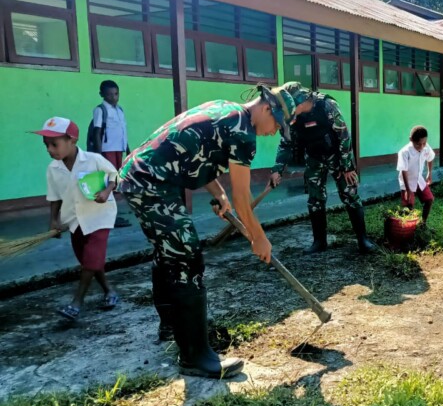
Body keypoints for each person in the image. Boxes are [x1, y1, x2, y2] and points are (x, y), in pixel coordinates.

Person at [118, 84, 294, 379]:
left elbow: (197, 155)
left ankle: (173, 326)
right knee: (186, 257)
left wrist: (218, 194)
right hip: (152, 184)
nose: (273, 132)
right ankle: (195, 357)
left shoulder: (224, 109)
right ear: (266, 109)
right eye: (277, 125)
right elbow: (243, 199)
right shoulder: (243, 133)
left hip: (140, 175)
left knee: (170, 251)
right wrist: (259, 237)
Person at [269, 82, 376, 255]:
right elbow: (285, 143)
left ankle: (363, 240)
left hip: (337, 156)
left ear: (302, 101)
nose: (289, 111)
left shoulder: (327, 105)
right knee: (315, 200)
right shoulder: (291, 118)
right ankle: (319, 242)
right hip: (313, 158)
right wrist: (277, 169)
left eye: (292, 106)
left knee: (349, 194)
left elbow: (343, 135)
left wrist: (348, 167)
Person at [32, 117, 120, 321]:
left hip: (100, 216)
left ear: (72, 140)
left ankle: (76, 303)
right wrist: (54, 220)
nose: (50, 150)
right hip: (74, 219)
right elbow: (54, 197)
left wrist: (107, 191)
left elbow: (116, 175)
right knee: (89, 261)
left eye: (54, 144)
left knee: (91, 258)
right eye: (46, 145)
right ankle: (110, 291)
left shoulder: (93, 159)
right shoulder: (53, 169)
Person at [89, 80, 131, 227]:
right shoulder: (100, 110)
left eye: (116, 94)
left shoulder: (120, 110)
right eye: (109, 94)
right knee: (109, 182)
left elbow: (122, 132)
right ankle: (109, 216)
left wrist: (127, 149)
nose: (114, 97)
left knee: (117, 181)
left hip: (118, 149)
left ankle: (113, 213)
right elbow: (97, 132)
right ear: (102, 95)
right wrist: (99, 155)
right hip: (107, 151)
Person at [398, 125, 436, 224]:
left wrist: (429, 173)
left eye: (424, 143)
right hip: (407, 181)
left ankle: (423, 223)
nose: (422, 146)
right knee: (409, 206)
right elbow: (403, 170)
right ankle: (407, 227)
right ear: (411, 140)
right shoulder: (404, 152)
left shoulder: (426, 147)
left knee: (429, 199)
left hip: (419, 179)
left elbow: (430, 158)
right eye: (418, 144)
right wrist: (408, 189)